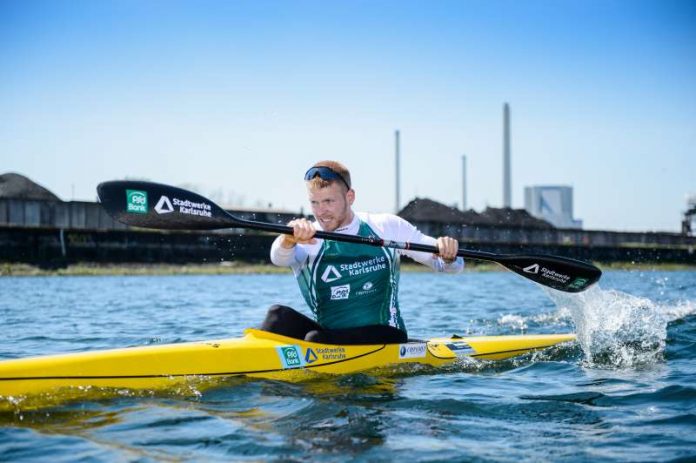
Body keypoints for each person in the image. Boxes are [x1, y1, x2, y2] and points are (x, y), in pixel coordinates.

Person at [263, 160, 464, 344]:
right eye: (314, 203)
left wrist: (448, 255)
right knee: (277, 315)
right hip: (329, 337)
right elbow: (278, 258)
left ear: (350, 197)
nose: (321, 211)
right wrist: (287, 238)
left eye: (328, 202)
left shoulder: (386, 226)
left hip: (387, 335)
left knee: (315, 339)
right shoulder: (307, 237)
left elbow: (450, 266)